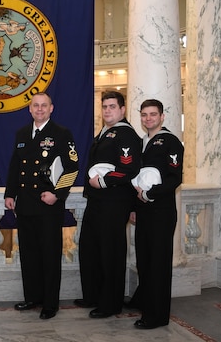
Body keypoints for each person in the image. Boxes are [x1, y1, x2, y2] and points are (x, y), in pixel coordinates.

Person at [4, 92, 79, 320]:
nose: (39, 109)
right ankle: (32, 297)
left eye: (43, 106)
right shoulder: (22, 133)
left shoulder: (61, 134)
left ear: (51, 108)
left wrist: (57, 194)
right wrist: (10, 194)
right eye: (35, 106)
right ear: (30, 109)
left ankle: (50, 303)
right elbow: (15, 167)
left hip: (48, 206)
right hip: (25, 205)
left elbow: (72, 167)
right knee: (29, 254)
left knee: (49, 255)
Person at [76, 90, 141, 318]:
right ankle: (93, 295)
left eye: (112, 106)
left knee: (110, 253)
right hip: (97, 202)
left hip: (114, 202)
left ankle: (110, 303)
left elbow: (129, 170)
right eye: (105, 107)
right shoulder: (105, 133)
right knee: (90, 249)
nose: (107, 111)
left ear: (123, 110)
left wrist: (103, 182)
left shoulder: (126, 135)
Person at [128, 99, 184, 329]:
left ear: (162, 116)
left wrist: (150, 194)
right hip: (142, 211)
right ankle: (144, 301)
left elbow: (174, 178)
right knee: (144, 259)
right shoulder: (142, 142)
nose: (148, 118)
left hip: (160, 211)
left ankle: (157, 316)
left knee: (158, 264)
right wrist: (134, 205)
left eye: (153, 114)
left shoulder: (171, 142)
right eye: (144, 115)